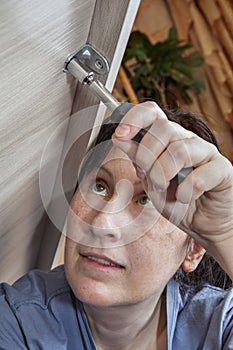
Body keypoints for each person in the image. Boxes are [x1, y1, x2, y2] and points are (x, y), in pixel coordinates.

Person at [0, 102, 232, 349]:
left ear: (194, 249)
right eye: (100, 186)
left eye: (147, 200)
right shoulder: (18, 323)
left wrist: (225, 234)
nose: (102, 223)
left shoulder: (220, 326)